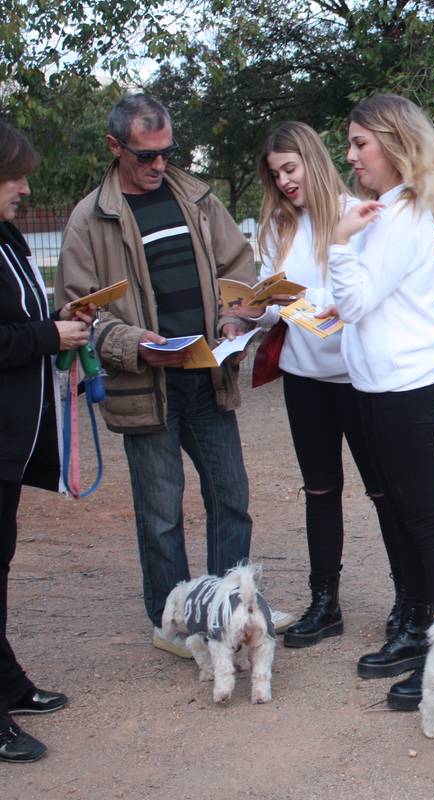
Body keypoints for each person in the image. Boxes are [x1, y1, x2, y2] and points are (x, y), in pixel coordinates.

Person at [55, 94, 292, 655]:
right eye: (146, 155)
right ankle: (173, 624)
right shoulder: (89, 219)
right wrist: (134, 343)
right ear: (115, 147)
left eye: (167, 152)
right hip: (145, 385)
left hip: (207, 377)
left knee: (230, 496)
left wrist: (237, 317)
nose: (160, 165)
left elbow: (238, 269)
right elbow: (80, 312)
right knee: (161, 513)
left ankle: (235, 609)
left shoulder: (198, 198)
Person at [241, 121, 411, 650]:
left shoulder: (355, 213)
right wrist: (257, 309)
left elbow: (369, 293)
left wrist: (326, 305)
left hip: (359, 377)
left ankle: (407, 599)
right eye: (276, 175)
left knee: (385, 491)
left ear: (312, 159)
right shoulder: (276, 227)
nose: (285, 182)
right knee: (320, 490)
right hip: (305, 377)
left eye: (290, 168)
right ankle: (325, 602)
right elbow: (276, 311)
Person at [328, 94, 434, 710]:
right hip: (380, 386)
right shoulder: (387, 213)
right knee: (402, 516)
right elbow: (366, 302)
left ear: (396, 144)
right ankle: (416, 631)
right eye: (351, 143)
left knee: (425, 520)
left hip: (405, 390)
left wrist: (335, 243)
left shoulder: (402, 217)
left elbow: (357, 301)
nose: (351, 155)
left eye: (361, 143)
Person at [0, 121, 91, 762]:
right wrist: (45, 338)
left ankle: (6, 682)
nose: (26, 188)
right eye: (15, 176)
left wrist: (56, 326)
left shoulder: (6, 237)